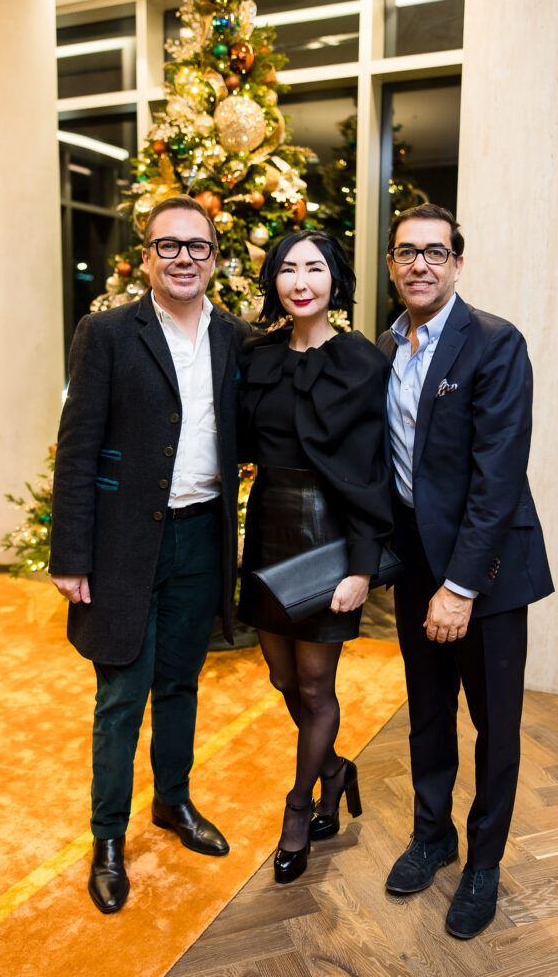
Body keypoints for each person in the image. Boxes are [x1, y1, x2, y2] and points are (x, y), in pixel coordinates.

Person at [49, 194, 251, 914]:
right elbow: (76, 450)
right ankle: (107, 837)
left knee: (180, 682)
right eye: (169, 246)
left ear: (215, 258)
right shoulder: (104, 333)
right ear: (145, 257)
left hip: (202, 534)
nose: (184, 259)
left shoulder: (235, 336)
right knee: (120, 694)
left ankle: (172, 802)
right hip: (123, 542)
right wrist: (71, 557)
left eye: (197, 247)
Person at [378, 203, 554, 938]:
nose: (419, 264)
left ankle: (483, 861)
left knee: (494, 725)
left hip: (485, 570)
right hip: (415, 563)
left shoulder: (493, 343)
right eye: (405, 252)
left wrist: (459, 588)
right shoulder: (382, 348)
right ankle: (432, 834)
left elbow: (497, 477)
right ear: (390, 265)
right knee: (425, 714)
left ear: (456, 263)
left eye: (434, 252)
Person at [238, 230, 393, 884]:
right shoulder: (256, 355)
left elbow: (373, 470)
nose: (300, 281)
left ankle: (302, 805)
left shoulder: (362, 361)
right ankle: (332, 765)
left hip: (329, 531)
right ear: (273, 279)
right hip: (270, 520)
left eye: (315, 269)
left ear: (334, 281)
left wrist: (361, 566)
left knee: (312, 684)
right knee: (278, 678)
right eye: (288, 269)